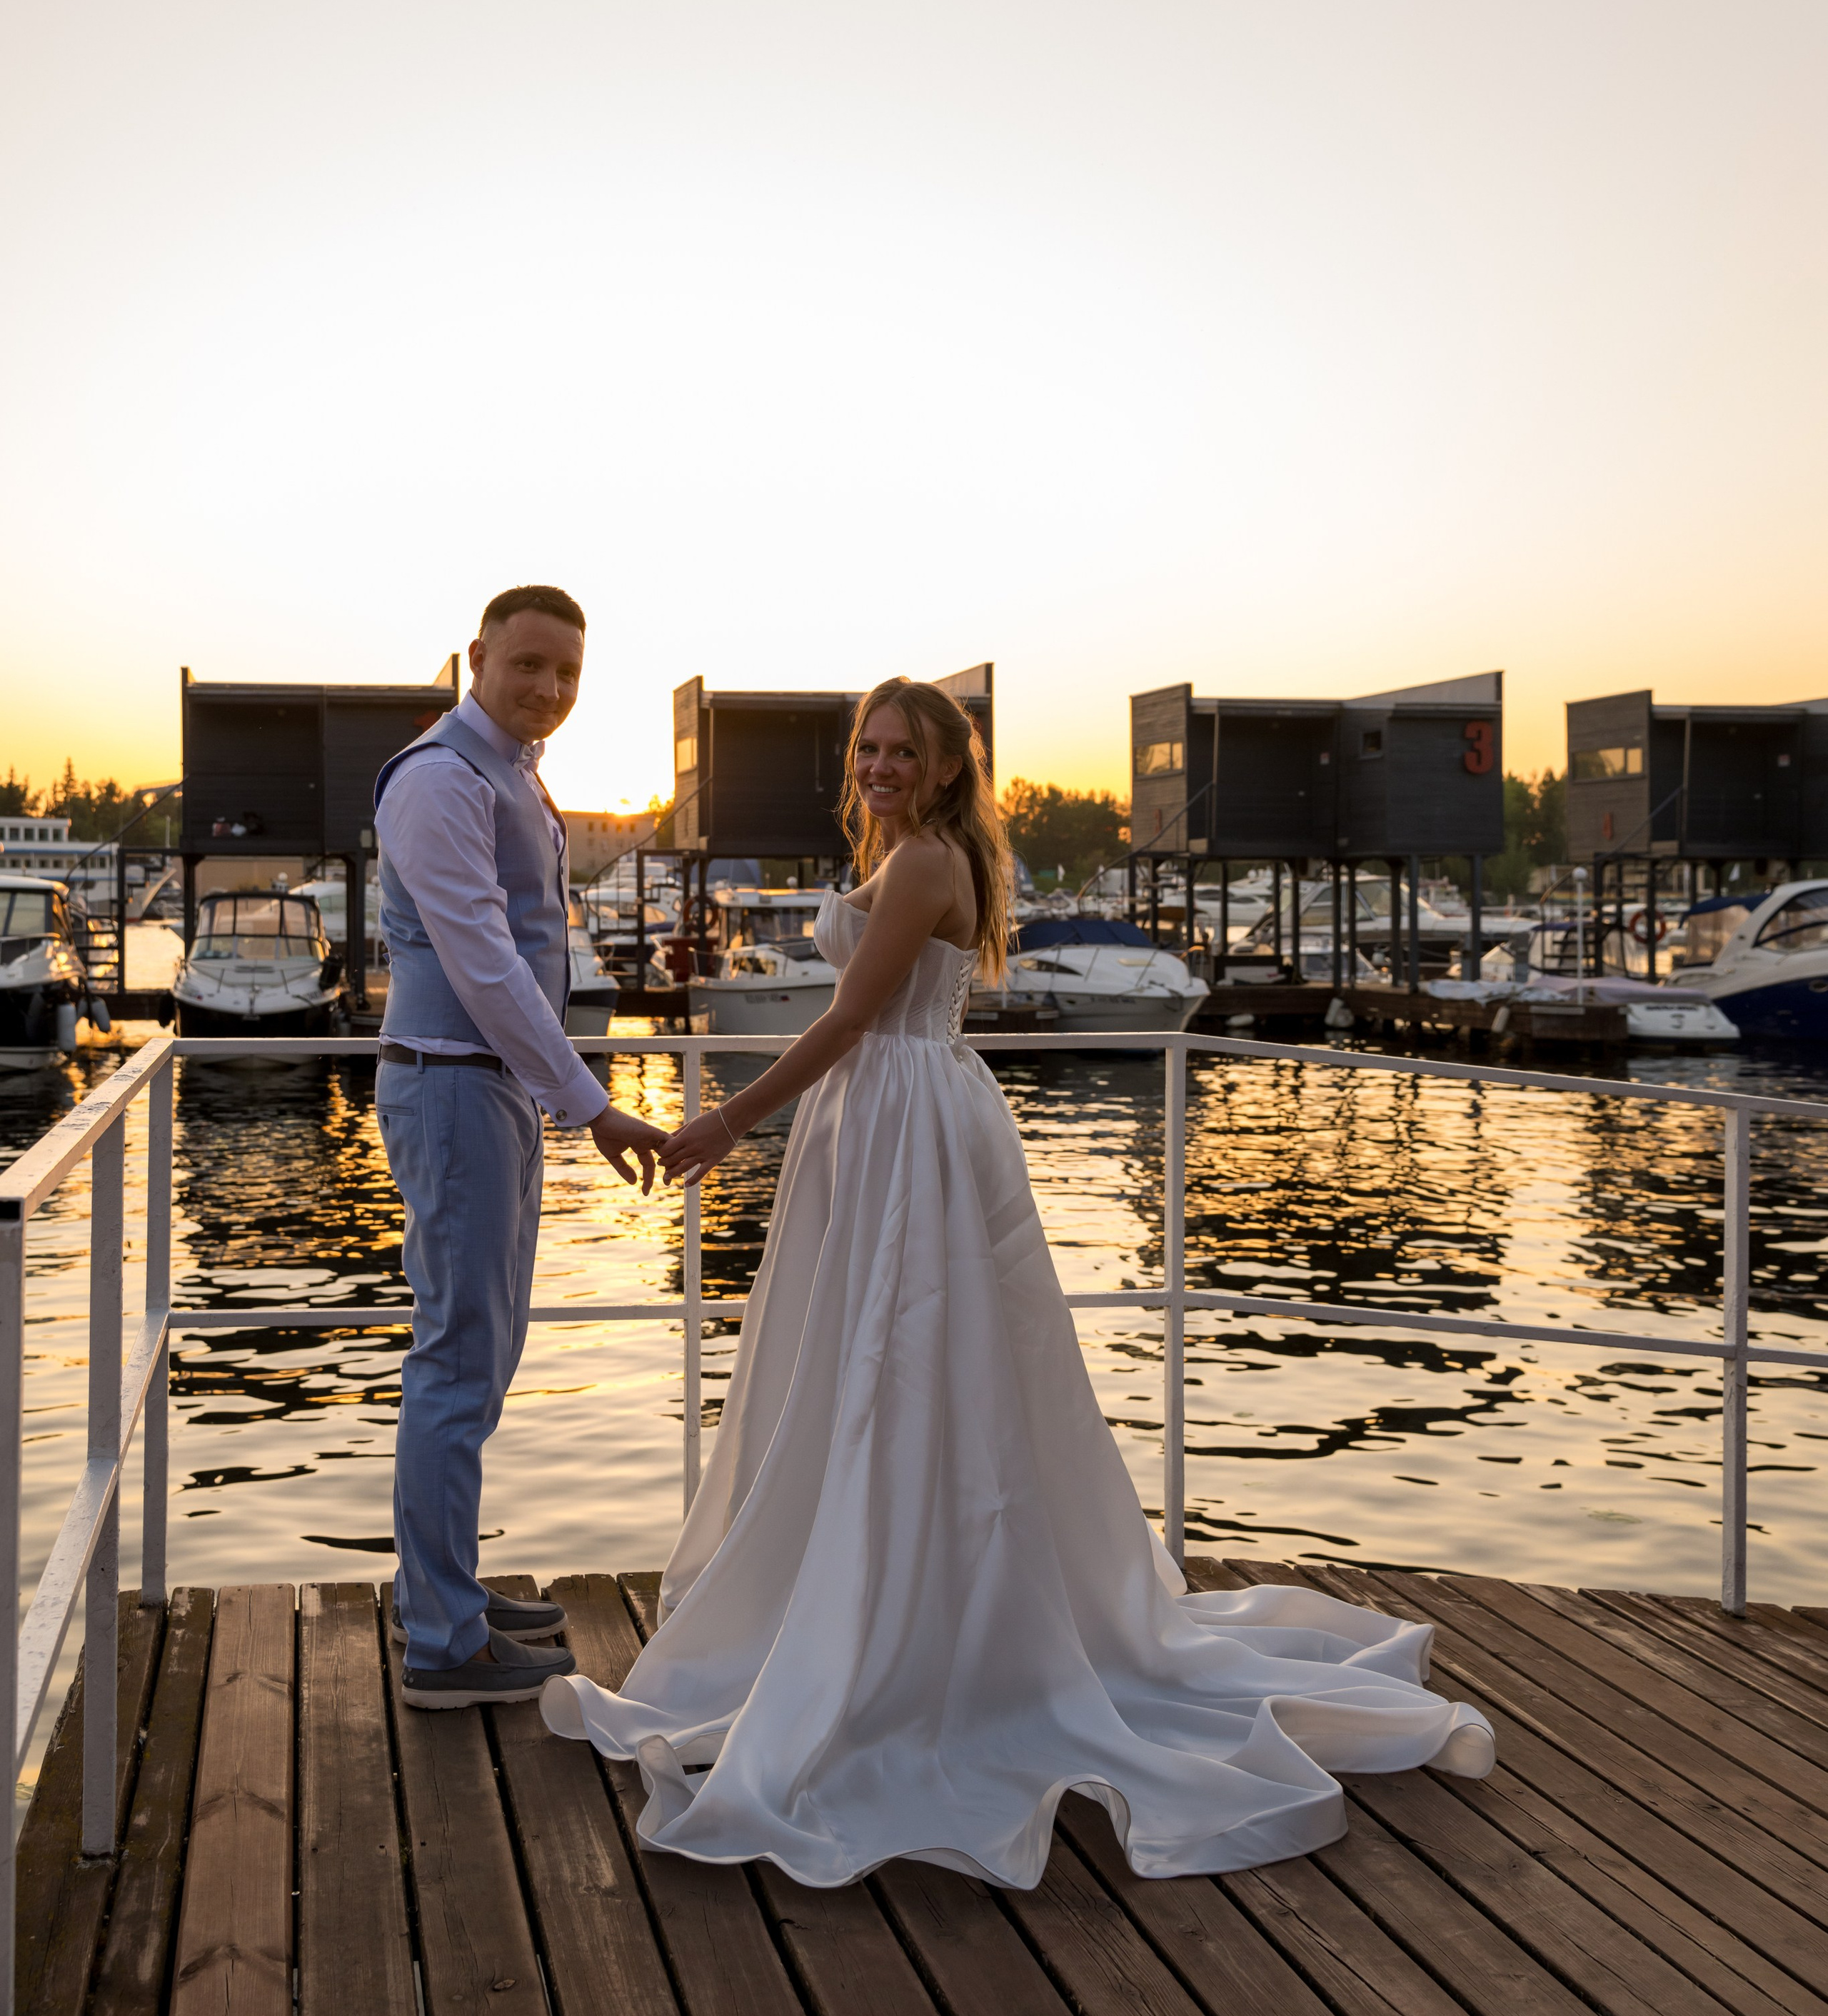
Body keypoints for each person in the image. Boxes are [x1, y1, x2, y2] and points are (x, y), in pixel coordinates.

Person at [541, 677, 1493, 1882]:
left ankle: (915, 1618)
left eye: (903, 751)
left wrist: (726, 1120)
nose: (880, 766)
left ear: (945, 769)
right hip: (884, 1117)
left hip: (897, 1109)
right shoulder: (911, 852)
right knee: (871, 1356)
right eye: (869, 749)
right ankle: (868, 1578)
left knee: (911, 1352)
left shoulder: (931, 863)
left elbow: (847, 1019)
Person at [376, 583, 667, 1710]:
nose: (548, 689)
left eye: (569, 675)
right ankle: (443, 1643)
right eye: (529, 665)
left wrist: (554, 1099)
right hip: (454, 1089)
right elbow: (485, 962)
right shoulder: (443, 779)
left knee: (480, 1360)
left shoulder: (512, 771)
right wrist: (593, 1105)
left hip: (489, 1094)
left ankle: (444, 1589)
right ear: (476, 656)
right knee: (456, 1364)